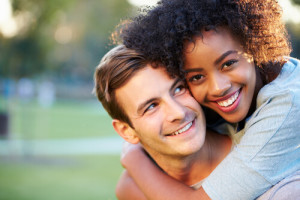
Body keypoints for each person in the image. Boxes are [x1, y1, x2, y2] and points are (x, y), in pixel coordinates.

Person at [118, 0, 300, 199]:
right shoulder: (243, 89)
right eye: (197, 77)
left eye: (228, 63)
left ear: (253, 45)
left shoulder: (288, 103)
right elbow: (124, 186)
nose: (218, 87)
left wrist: (134, 157)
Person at [93, 44, 232, 199]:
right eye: (151, 106)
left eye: (178, 89)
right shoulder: (131, 188)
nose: (178, 112)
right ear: (127, 131)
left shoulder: (251, 150)